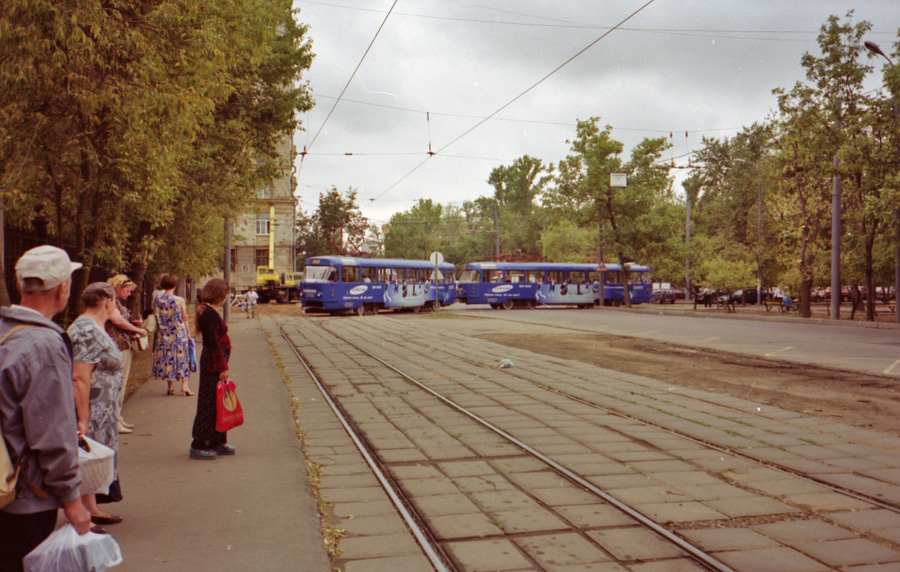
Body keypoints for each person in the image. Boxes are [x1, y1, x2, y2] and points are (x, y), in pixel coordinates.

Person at [0, 245, 91, 571]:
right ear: (62, 288)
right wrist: (73, 501)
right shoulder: (44, 344)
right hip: (25, 497)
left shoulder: (4, 331)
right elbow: (52, 434)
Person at [68, 282, 124, 530]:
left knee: (91, 456)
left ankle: (90, 508)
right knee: (86, 454)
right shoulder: (85, 329)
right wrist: (82, 417)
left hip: (103, 407)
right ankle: (81, 514)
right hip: (91, 407)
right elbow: (79, 377)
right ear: (108, 302)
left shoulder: (95, 327)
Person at [190, 279, 233, 460]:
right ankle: (199, 444)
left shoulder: (209, 311)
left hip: (215, 360)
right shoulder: (209, 314)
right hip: (213, 362)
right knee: (209, 402)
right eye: (225, 295)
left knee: (217, 401)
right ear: (219, 294)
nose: (226, 299)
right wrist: (223, 367)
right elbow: (213, 343)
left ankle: (217, 439)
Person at [105, 275, 147, 434]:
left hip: (123, 344)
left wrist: (132, 325)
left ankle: (118, 416)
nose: (129, 294)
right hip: (118, 346)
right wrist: (137, 330)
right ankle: (114, 420)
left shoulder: (115, 303)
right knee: (119, 383)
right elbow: (118, 321)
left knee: (122, 382)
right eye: (127, 290)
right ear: (118, 287)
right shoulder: (110, 302)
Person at [152, 274, 193, 396]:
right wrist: (189, 332)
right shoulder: (179, 300)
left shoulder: (158, 300)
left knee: (167, 358)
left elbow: (156, 315)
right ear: (174, 286)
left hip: (163, 333)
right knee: (182, 358)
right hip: (178, 333)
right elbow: (184, 318)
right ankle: (184, 385)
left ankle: (170, 386)